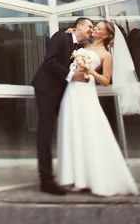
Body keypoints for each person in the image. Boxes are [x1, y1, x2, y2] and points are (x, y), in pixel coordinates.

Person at [59, 21, 140, 196]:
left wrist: (91, 72)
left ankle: (94, 177)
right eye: (94, 27)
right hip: (72, 90)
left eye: (98, 28)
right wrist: (70, 32)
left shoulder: (106, 55)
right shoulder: (83, 45)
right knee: (73, 128)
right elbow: (70, 44)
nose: (94, 29)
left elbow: (106, 81)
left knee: (89, 129)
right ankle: (77, 177)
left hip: (86, 89)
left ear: (105, 35)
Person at [31, 17, 94, 195]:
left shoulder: (80, 48)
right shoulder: (60, 36)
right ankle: (46, 181)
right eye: (89, 26)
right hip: (46, 90)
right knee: (46, 132)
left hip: (64, 94)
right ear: (78, 26)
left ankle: (78, 177)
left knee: (72, 130)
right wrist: (71, 75)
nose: (91, 30)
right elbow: (49, 61)